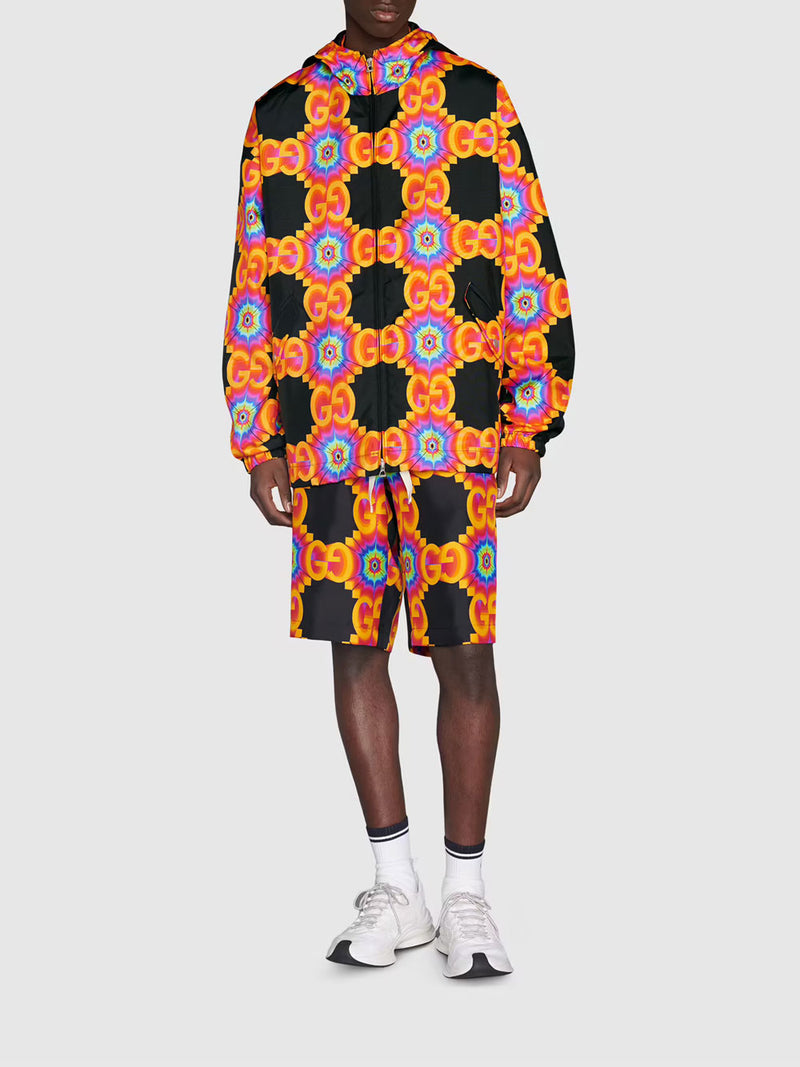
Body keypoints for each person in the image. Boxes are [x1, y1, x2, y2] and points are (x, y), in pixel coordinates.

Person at [222, 0, 575, 979]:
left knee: (465, 653)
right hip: (329, 428)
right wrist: (258, 436)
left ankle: (466, 892)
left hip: (448, 424)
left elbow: (527, 258)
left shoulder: (474, 99)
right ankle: (395, 885)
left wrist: (528, 417)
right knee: (354, 648)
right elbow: (252, 280)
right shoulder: (283, 114)